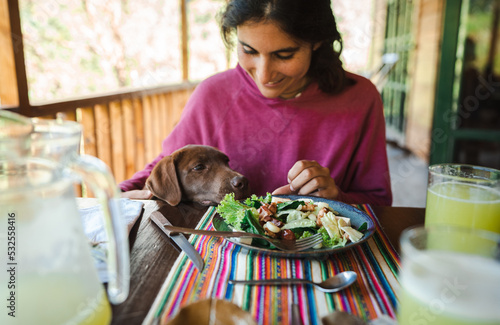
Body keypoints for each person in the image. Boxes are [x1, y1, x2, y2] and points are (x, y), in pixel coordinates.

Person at [120, 0, 392, 206]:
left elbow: (377, 203)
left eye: (284, 54)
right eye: (249, 51)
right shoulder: (213, 94)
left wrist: (336, 197)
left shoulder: (359, 98)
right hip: (222, 249)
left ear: (318, 41)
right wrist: (115, 195)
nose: (264, 74)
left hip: (318, 251)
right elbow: (169, 165)